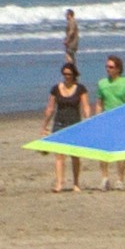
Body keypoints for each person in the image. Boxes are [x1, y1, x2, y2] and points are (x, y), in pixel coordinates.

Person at [41, 62, 93, 191]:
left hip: (75, 125)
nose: (67, 76)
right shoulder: (56, 88)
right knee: (59, 155)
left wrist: (88, 120)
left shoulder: (80, 88)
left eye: (69, 74)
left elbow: (85, 106)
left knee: (75, 155)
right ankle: (59, 183)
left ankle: (76, 183)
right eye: (64, 74)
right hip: (59, 123)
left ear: (74, 74)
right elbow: (50, 108)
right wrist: (44, 125)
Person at [95, 56, 125, 189]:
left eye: (111, 67)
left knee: (121, 151)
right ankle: (105, 178)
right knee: (104, 150)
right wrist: (98, 117)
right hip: (107, 120)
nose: (108, 69)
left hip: (123, 120)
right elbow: (99, 103)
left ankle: (120, 179)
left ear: (118, 69)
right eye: (107, 67)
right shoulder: (102, 83)